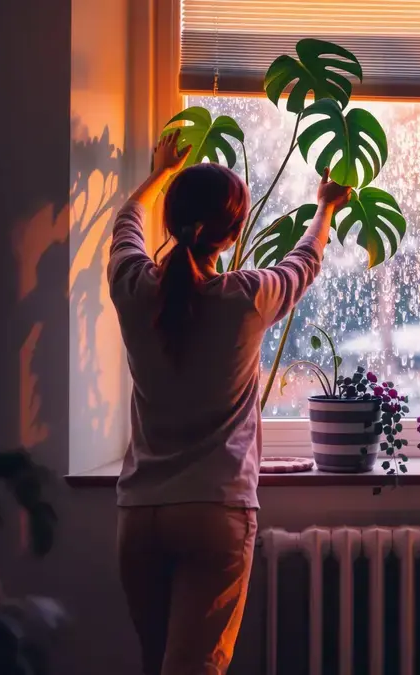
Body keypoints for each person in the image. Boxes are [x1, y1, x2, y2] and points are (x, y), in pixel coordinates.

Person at [107, 130, 349, 674]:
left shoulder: (132, 287)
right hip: (215, 511)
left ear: (171, 221)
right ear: (233, 232)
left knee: (156, 664)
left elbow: (125, 224)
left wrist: (160, 173)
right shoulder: (245, 299)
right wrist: (324, 207)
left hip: (139, 513)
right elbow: (303, 262)